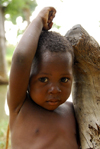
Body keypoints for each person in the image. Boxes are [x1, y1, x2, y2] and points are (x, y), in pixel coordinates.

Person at [7, 6, 80, 149]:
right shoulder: (20, 106)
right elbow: (21, 59)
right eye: (43, 79)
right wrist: (39, 20)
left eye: (64, 80)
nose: (54, 90)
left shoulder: (74, 111)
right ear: (27, 79)